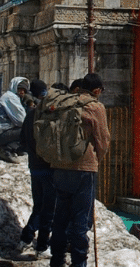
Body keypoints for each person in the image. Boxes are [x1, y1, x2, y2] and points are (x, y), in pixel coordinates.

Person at [48, 72, 110, 267]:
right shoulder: (95, 106)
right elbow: (103, 140)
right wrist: (95, 159)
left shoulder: (64, 102)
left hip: (60, 166)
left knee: (60, 217)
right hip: (84, 168)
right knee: (80, 222)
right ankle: (78, 262)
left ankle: (57, 260)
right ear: (97, 90)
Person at [18, 79, 54, 252]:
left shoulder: (31, 113)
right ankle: (38, 243)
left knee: (39, 205)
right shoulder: (48, 114)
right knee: (48, 209)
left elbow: (22, 140)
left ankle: (27, 237)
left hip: (34, 167)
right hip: (48, 167)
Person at [0, 76, 31, 163]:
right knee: (29, 129)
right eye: (20, 89)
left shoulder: (10, 96)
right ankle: (7, 149)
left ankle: (15, 147)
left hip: (0, 132)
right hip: (0, 134)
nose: (22, 92)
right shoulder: (11, 98)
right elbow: (22, 121)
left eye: (24, 90)